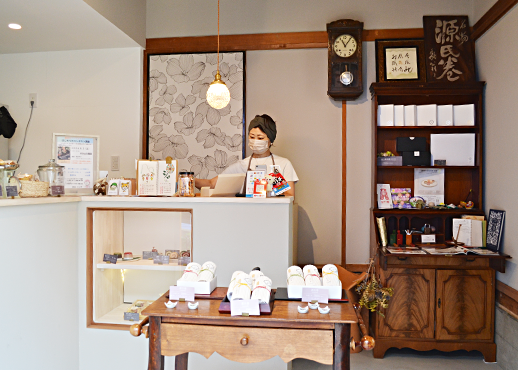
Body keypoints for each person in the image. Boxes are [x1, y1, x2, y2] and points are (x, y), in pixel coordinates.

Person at [195, 114, 298, 197]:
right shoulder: (242, 165)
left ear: (270, 140)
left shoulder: (283, 164)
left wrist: (271, 180)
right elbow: (212, 184)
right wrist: (188, 179)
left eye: (260, 138)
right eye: (252, 137)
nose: (255, 141)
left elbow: (289, 195)